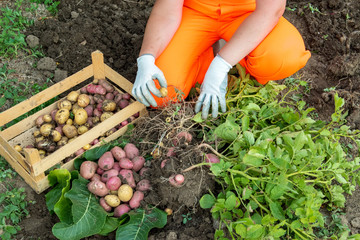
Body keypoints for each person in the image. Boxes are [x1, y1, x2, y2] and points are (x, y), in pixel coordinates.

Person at [132, 0, 311, 119]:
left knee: (282, 57)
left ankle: (228, 54)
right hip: (193, 11)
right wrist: (147, 57)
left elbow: (270, 11)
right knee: (160, 93)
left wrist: (221, 64)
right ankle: (202, 58)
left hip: (248, 14)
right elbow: (167, 10)